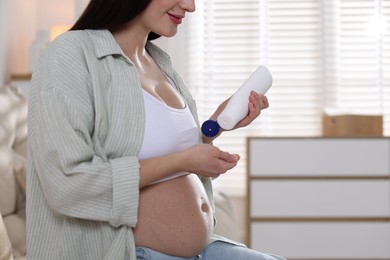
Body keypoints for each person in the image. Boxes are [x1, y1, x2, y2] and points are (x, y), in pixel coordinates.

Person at [26, 0, 286, 259]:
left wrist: (214, 127)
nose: (191, 6)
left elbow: (159, 147)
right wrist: (184, 160)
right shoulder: (72, 53)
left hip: (201, 248)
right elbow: (67, 183)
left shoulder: (158, 61)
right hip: (127, 251)